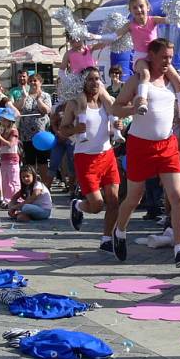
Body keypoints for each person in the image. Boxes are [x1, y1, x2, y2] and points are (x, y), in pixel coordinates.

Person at [110, 38, 180, 268]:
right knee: (134, 197)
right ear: (151, 55)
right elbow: (115, 108)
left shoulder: (173, 79)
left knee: (177, 196)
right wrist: (135, 108)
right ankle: (119, 231)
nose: (167, 62)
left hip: (167, 144)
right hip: (140, 145)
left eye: (170, 57)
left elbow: (177, 109)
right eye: (163, 58)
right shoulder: (140, 79)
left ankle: (179, 249)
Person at [90, 0, 180, 121]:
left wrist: (178, 13)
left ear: (147, 7)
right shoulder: (130, 25)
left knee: (177, 78)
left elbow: (169, 20)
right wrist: (96, 37)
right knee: (145, 75)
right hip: (141, 57)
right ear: (131, 11)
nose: (139, 10)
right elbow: (113, 36)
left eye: (141, 6)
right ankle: (142, 101)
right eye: (135, 8)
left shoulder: (153, 20)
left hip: (156, 57)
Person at [62, 68, 121, 253]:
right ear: (83, 82)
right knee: (97, 206)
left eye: (97, 79)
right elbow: (62, 130)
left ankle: (106, 239)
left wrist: (118, 125)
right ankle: (78, 205)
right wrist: (74, 130)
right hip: (85, 158)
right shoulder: (74, 104)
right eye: (90, 79)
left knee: (113, 201)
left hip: (107, 155)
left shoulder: (105, 102)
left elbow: (116, 120)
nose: (94, 82)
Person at [14, 73, 52, 185]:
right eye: (31, 81)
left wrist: (39, 100)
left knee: (43, 162)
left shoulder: (45, 96)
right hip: (27, 135)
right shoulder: (25, 95)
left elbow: (46, 110)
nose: (33, 83)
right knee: (30, 162)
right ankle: (32, 186)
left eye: (35, 81)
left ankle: (46, 187)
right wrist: (24, 98)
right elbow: (18, 108)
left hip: (41, 135)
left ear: (40, 82)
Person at [0, 108, 20, 207]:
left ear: (10, 121)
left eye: (5, 119)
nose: (2, 121)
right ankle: (7, 200)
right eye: (2, 119)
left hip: (12, 159)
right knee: (5, 181)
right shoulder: (3, 131)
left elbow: (10, 144)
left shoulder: (14, 131)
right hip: (4, 159)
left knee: (14, 180)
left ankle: (17, 199)